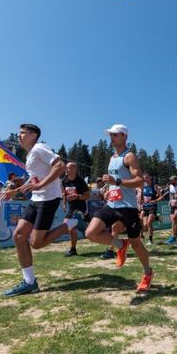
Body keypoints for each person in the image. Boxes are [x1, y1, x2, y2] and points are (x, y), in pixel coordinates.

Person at [1, 124, 73, 297]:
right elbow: (34, 179)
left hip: (48, 199)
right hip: (36, 199)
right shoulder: (30, 154)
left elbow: (60, 166)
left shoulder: (40, 147)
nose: (19, 136)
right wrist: (15, 191)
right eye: (19, 132)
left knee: (37, 243)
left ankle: (70, 224)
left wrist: (40, 185)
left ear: (33, 136)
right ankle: (29, 282)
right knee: (18, 236)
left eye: (23, 133)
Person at [85, 124, 153, 293]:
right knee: (90, 233)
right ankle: (120, 245)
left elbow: (139, 181)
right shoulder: (111, 158)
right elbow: (114, 181)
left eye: (115, 135)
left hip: (128, 207)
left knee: (136, 243)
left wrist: (117, 182)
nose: (112, 138)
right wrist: (109, 190)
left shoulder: (129, 157)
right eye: (111, 135)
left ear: (124, 137)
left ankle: (147, 273)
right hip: (112, 204)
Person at [62, 162, 90, 257]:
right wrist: (64, 204)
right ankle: (83, 227)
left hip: (80, 208)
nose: (66, 169)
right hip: (71, 207)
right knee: (67, 227)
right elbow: (64, 193)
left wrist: (77, 196)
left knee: (69, 226)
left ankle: (73, 249)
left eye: (68, 168)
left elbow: (88, 195)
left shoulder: (80, 181)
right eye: (66, 167)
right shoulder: (64, 180)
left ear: (75, 170)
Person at [140, 172, 160, 246]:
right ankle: (156, 217)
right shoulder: (143, 186)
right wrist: (140, 204)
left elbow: (161, 196)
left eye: (147, 177)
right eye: (144, 177)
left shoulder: (154, 186)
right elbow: (141, 196)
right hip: (145, 207)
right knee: (145, 225)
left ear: (150, 177)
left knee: (149, 223)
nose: (145, 179)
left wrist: (156, 200)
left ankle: (150, 240)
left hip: (152, 206)